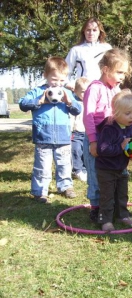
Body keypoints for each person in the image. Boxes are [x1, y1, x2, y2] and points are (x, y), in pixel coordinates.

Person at [19, 57, 82, 203]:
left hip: (63, 136)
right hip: (43, 136)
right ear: (45, 75)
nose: (58, 84)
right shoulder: (38, 91)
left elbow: (77, 109)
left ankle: (66, 186)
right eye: (54, 79)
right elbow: (23, 104)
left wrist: (69, 102)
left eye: (62, 80)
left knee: (64, 163)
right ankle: (40, 191)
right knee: (42, 165)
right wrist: (39, 101)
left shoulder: (66, 93)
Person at [83, 48, 132, 222]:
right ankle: (97, 208)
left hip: (113, 140)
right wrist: (93, 140)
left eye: (124, 73)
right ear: (106, 69)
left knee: (116, 173)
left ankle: (116, 208)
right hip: (95, 139)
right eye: (119, 72)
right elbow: (88, 117)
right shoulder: (94, 89)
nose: (122, 76)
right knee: (97, 175)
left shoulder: (116, 90)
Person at [96, 90, 132, 232]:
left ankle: (122, 215)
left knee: (122, 194)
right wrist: (120, 147)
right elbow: (102, 149)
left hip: (121, 168)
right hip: (106, 169)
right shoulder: (109, 128)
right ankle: (106, 220)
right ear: (116, 112)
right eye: (128, 113)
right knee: (107, 196)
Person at [65, 17, 112, 91]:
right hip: (83, 91)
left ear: (100, 31)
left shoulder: (106, 48)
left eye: (94, 30)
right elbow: (66, 71)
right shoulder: (76, 50)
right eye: (88, 30)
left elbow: (112, 70)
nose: (91, 33)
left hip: (102, 89)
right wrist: (68, 84)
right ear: (84, 31)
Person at [70, 77, 90, 182]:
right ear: (75, 91)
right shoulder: (74, 103)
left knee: (86, 152)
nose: (85, 94)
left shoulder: (90, 103)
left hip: (87, 133)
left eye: (87, 92)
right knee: (76, 151)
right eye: (82, 92)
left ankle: (85, 169)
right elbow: (71, 118)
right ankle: (77, 170)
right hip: (76, 133)